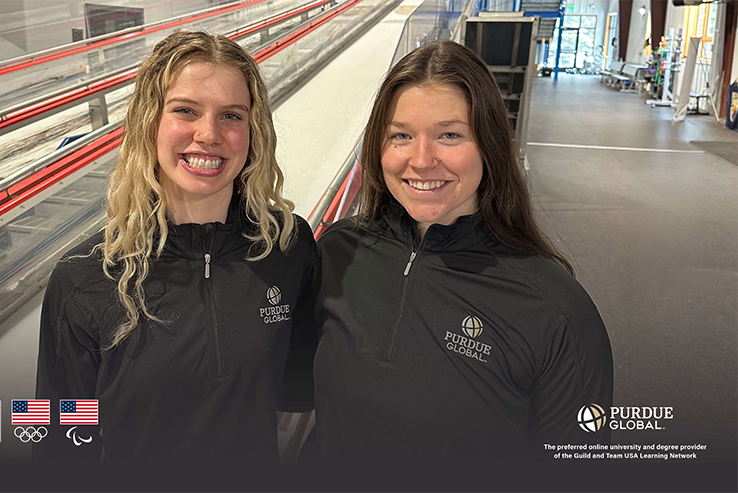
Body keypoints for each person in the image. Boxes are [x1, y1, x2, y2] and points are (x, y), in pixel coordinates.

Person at [313, 41, 613, 465]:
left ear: (488, 144)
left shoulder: (554, 309)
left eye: (449, 135)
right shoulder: (337, 253)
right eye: (401, 136)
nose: (421, 160)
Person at [34, 31, 318, 466]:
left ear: (253, 131)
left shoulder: (287, 248)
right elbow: (57, 444)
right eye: (185, 110)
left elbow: (301, 389)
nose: (208, 134)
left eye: (231, 115)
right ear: (150, 122)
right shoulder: (85, 279)